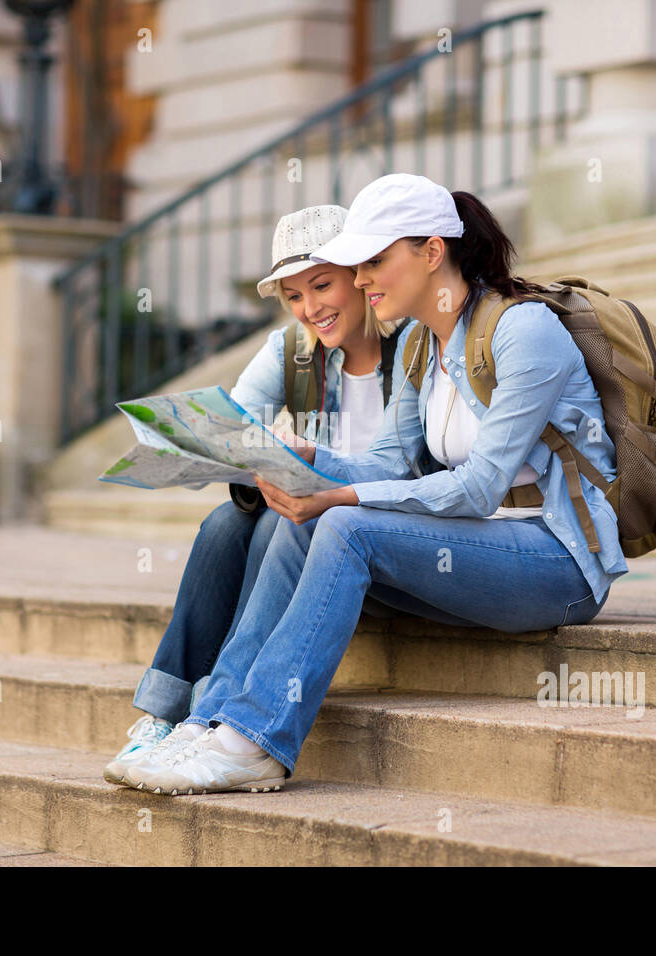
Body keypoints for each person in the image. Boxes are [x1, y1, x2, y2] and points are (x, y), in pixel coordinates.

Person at [119, 173, 630, 795]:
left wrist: (339, 494)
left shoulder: (524, 332)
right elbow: (388, 464)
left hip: (560, 564)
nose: (360, 279)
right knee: (307, 520)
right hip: (468, 553)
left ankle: (256, 741)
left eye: (374, 261)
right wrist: (306, 455)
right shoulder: (421, 341)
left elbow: (478, 489)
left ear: (432, 251)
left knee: (343, 522)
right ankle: (207, 721)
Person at [104, 204, 408, 783]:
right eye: (294, 296)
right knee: (225, 523)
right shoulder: (292, 354)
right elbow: (233, 424)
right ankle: (167, 719)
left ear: (360, 274)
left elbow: (409, 469)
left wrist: (317, 468)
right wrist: (248, 450)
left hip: (367, 534)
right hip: (305, 524)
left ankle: (219, 715)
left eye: (321, 285)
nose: (310, 308)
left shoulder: (414, 348)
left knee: (278, 524)